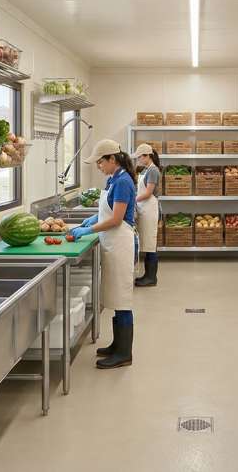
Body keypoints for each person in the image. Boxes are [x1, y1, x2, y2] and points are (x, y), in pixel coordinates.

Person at [70, 139, 138, 369]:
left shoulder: (123, 182)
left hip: (120, 243)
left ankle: (124, 353)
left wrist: (87, 229)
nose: (98, 166)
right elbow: (107, 211)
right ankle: (117, 346)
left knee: (123, 300)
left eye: (100, 162)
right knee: (116, 298)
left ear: (112, 159)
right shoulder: (113, 179)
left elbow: (117, 219)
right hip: (112, 242)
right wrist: (92, 219)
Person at [132, 143, 161, 287]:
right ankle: (147, 275)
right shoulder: (146, 170)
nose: (138, 160)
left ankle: (151, 278)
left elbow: (148, 193)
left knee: (151, 245)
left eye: (140, 157)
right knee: (148, 244)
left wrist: (132, 199)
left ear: (147, 156)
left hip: (150, 210)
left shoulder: (153, 171)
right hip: (145, 209)